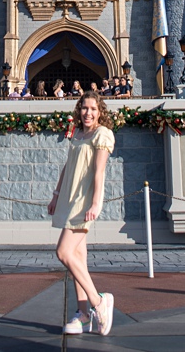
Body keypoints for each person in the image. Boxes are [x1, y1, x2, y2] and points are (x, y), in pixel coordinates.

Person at [47, 91, 116, 337]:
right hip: (68, 197)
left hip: (83, 201)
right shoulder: (77, 133)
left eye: (93, 109)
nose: (88, 113)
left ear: (100, 112)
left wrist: (96, 203)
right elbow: (69, 165)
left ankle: (98, 302)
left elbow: (99, 172)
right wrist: (56, 195)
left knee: (63, 252)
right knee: (78, 257)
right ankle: (83, 312)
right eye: (84, 108)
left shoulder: (102, 134)